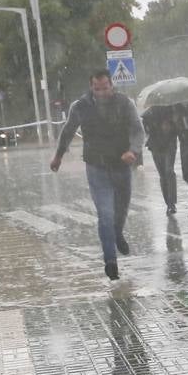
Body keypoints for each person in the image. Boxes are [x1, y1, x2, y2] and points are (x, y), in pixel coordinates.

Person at [50, 70, 145, 280]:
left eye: (105, 87)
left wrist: (134, 151)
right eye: (97, 88)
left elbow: (138, 130)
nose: (101, 92)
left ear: (112, 86)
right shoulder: (81, 106)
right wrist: (58, 156)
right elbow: (67, 131)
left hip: (121, 165)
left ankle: (118, 233)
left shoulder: (124, 103)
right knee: (105, 214)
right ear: (91, 87)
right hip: (96, 167)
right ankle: (110, 260)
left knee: (120, 211)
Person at [142, 103, 183, 214]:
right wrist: (153, 126)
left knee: (169, 171)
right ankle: (168, 203)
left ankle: (172, 203)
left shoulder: (173, 110)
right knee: (163, 175)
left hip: (169, 144)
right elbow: (146, 128)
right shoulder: (149, 112)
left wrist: (172, 124)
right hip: (156, 145)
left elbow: (179, 127)